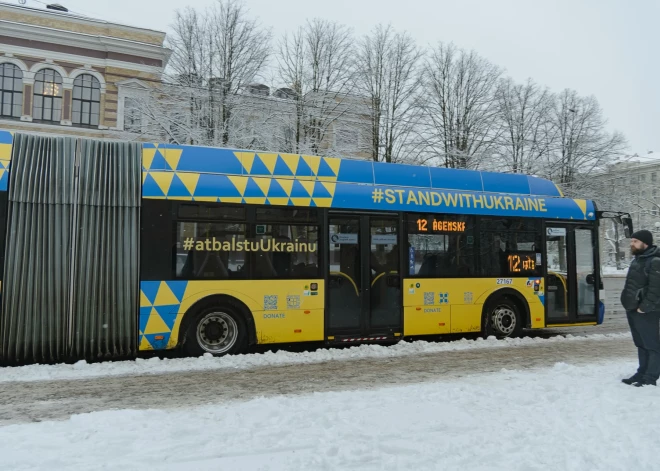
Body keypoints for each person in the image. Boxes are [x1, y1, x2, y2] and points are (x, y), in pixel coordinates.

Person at [620, 229, 660, 387]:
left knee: (652, 345)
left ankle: (650, 378)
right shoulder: (638, 260)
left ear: (646, 243)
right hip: (633, 309)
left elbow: (656, 289)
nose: (632, 244)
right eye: (631, 241)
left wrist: (645, 307)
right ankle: (641, 373)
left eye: (635, 241)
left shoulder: (655, 261)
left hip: (647, 311)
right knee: (641, 343)